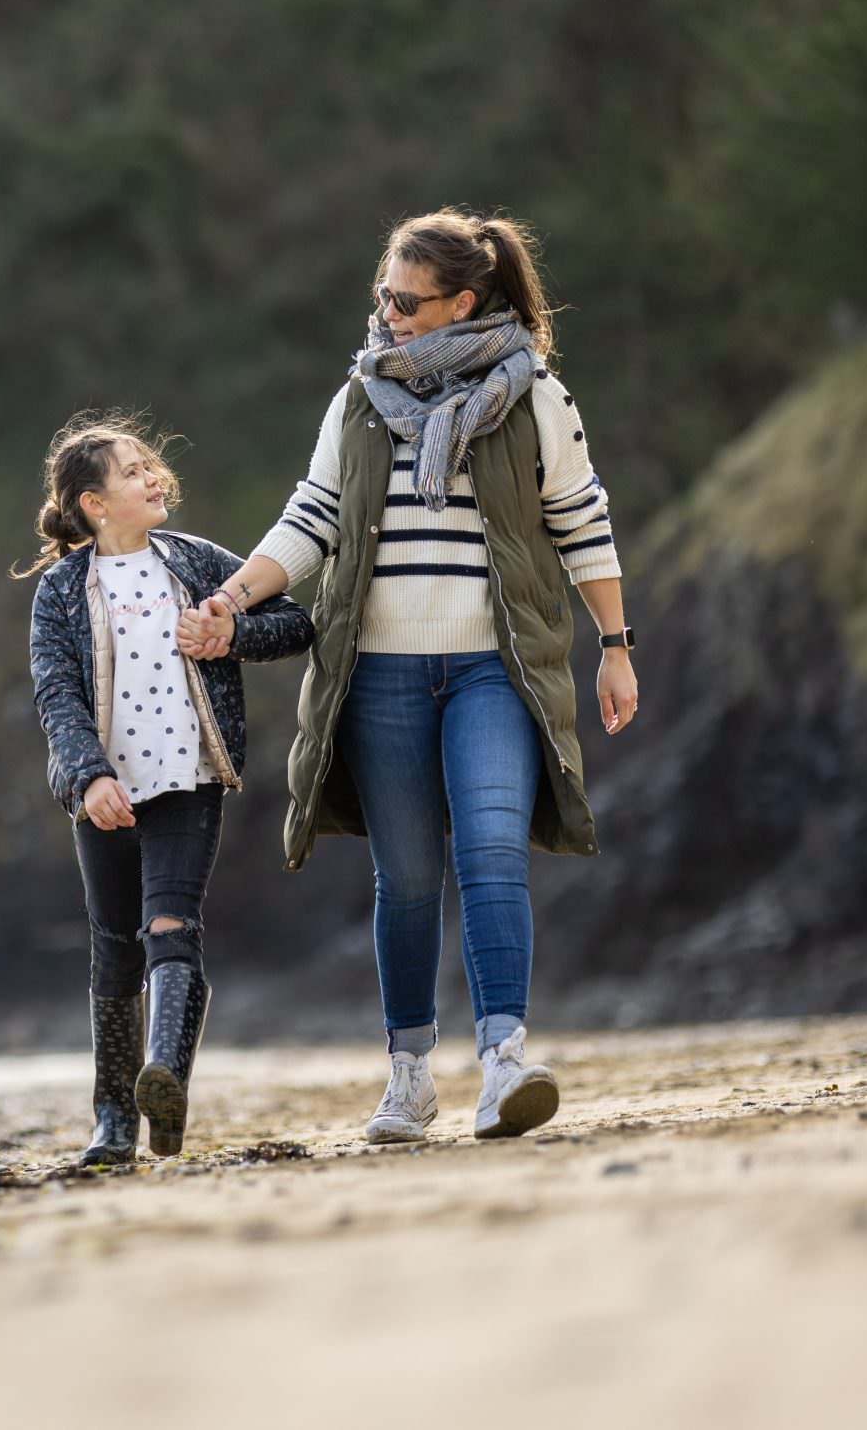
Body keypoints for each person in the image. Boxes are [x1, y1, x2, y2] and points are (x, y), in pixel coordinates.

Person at [178, 210, 637, 1144]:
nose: (385, 313)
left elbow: (583, 524)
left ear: (462, 302)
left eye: (404, 299)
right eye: (382, 295)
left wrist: (616, 645)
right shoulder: (358, 399)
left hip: (492, 669)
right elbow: (311, 519)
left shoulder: (535, 394)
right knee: (410, 877)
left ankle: (505, 1063)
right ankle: (410, 1078)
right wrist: (232, 594)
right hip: (378, 671)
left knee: (495, 852)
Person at [20, 414, 314, 1164]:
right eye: (132, 472)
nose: (154, 478)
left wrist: (231, 633)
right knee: (115, 948)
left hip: (190, 778)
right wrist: (89, 778)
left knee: (172, 929)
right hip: (105, 794)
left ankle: (165, 1080)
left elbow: (294, 624)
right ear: (93, 502)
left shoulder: (195, 561)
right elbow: (56, 697)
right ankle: (114, 1122)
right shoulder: (59, 591)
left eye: (150, 466)